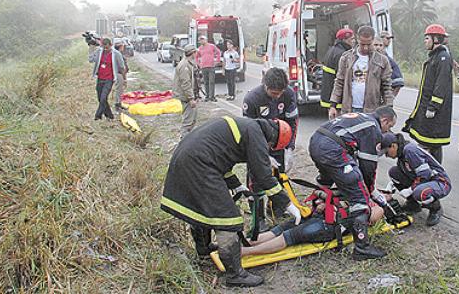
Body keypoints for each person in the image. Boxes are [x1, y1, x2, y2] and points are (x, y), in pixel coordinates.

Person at [161, 116, 300, 287]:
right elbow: (264, 176)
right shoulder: (256, 134)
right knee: (227, 217)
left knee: (202, 208)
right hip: (199, 164)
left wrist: (237, 186)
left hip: (190, 157)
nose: (269, 149)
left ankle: (204, 249)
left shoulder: (248, 126)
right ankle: (235, 274)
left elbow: (221, 160)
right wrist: (287, 204)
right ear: (273, 140)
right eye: (271, 148)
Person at [308, 107, 396, 260]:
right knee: (359, 196)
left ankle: (314, 213)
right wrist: (370, 192)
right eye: (389, 127)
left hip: (316, 142)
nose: (387, 131)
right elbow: (368, 165)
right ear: (384, 120)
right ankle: (362, 247)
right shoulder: (373, 128)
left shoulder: (362, 117)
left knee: (326, 182)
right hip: (332, 149)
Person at [243, 68, 298, 229]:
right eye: (274, 93)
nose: (277, 96)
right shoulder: (252, 99)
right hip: (258, 145)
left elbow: (293, 121)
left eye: (280, 93)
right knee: (257, 182)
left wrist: (289, 148)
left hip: (280, 143)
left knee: (280, 177)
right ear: (265, 85)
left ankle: (276, 208)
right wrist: (262, 155)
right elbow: (248, 131)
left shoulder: (288, 94)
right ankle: (258, 218)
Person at [241, 203, 385, 256]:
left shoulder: (375, 206)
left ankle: (244, 252)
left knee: (287, 236)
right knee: (278, 230)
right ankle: (244, 243)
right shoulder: (352, 186)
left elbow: (371, 216)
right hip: (318, 215)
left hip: (330, 226)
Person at [402, 24, 453, 163]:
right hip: (427, 106)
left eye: (426, 38)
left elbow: (441, 84)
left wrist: (433, 106)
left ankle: (434, 171)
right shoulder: (435, 56)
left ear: (435, 39)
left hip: (434, 110)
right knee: (430, 143)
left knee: (432, 143)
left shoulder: (443, 57)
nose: (425, 41)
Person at [379, 132, 451, 226]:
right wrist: (390, 186)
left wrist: (410, 190)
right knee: (394, 172)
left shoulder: (410, 151)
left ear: (393, 146)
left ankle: (436, 208)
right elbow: (405, 171)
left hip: (440, 181)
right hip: (425, 179)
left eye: (386, 152)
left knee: (419, 192)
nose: (387, 156)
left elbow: (425, 174)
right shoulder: (401, 154)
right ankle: (413, 204)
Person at [329, 26, 394, 120]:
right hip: (349, 110)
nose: (366, 47)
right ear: (357, 39)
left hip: (372, 111)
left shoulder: (382, 60)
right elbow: (339, 82)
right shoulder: (346, 57)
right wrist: (333, 105)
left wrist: (389, 108)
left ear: (373, 40)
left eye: (369, 44)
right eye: (362, 44)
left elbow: (387, 86)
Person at [88, 37, 126, 120]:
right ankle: (110, 115)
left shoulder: (116, 54)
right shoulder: (99, 52)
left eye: (107, 47)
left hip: (109, 79)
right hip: (100, 78)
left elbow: (122, 67)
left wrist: (124, 79)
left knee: (103, 98)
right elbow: (91, 60)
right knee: (100, 99)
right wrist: (91, 48)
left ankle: (97, 116)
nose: (105, 49)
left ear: (111, 45)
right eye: (103, 47)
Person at [320, 28, 355, 109]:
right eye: (352, 39)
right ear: (344, 40)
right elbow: (344, 77)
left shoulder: (333, 50)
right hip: (337, 99)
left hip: (328, 93)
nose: (354, 41)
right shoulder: (342, 54)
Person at [173, 44, 200, 139]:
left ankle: (189, 140)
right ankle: (184, 141)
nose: (196, 54)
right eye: (195, 52)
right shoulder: (184, 65)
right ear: (192, 53)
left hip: (191, 96)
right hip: (187, 98)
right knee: (188, 122)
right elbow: (186, 84)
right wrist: (191, 98)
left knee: (192, 120)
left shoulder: (189, 63)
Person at [376, 32, 404, 97]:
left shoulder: (387, 59)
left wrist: (391, 98)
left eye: (390, 39)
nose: (389, 41)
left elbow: (399, 81)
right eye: (387, 38)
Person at [196, 35, 221, 102]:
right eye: (200, 40)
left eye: (202, 39)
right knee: (206, 82)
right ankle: (207, 96)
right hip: (203, 67)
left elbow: (218, 52)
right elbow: (196, 57)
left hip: (211, 66)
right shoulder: (200, 48)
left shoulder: (211, 46)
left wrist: (217, 61)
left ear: (206, 40)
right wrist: (198, 64)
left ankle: (212, 96)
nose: (201, 41)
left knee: (212, 81)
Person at [113, 42, 129, 111]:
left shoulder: (117, 54)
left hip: (120, 74)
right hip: (120, 74)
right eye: (122, 46)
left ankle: (119, 103)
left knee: (121, 90)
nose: (123, 47)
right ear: (120, 47)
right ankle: (117, 104)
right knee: (119, 90)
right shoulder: (118, 55)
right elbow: (122, 67)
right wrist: (125, 78)